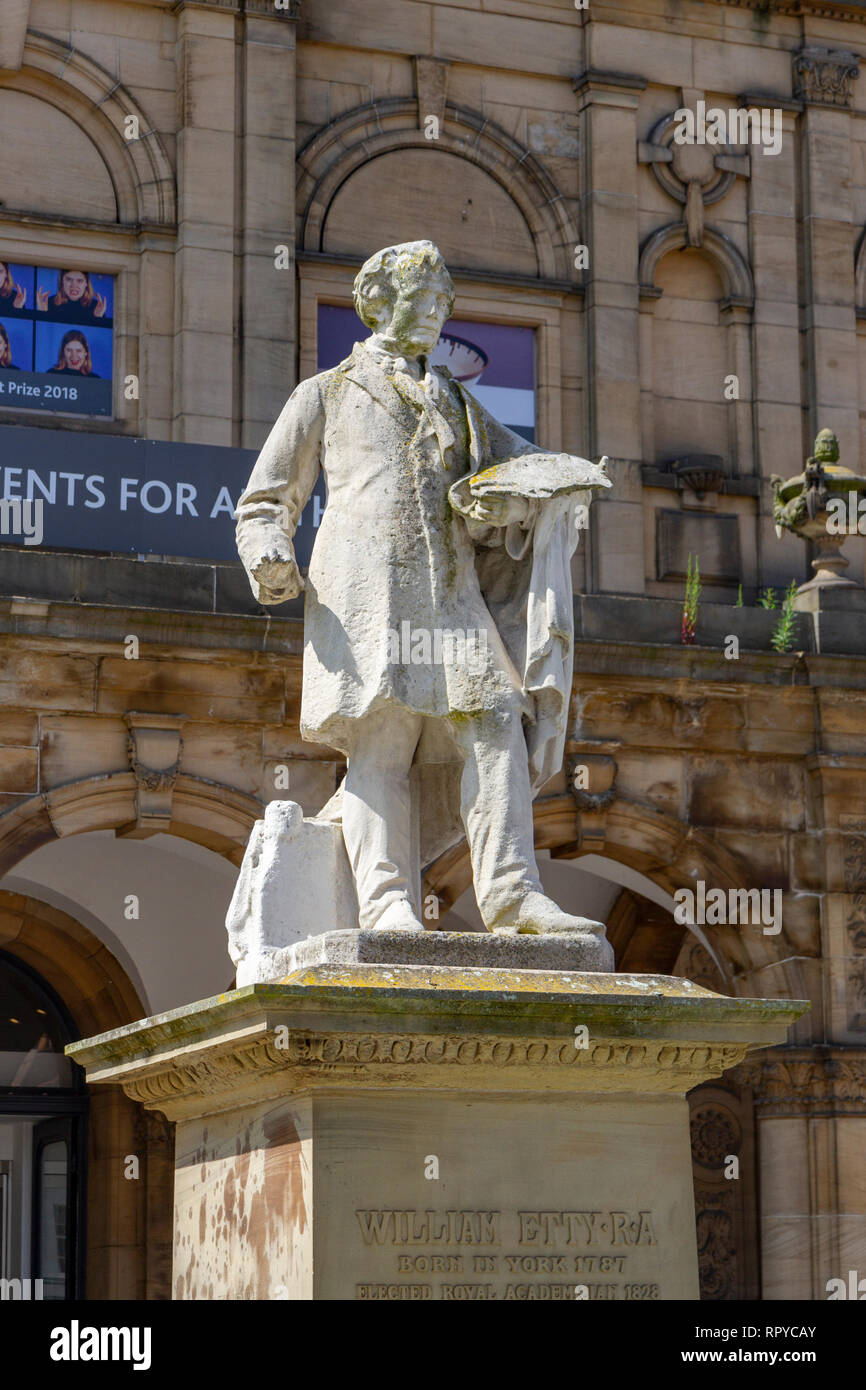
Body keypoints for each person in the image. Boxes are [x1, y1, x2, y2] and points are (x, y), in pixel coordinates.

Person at [236, 240, 610, 937]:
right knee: (382, 743)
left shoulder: (460, 403)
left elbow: (526, 475)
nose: (437, 314)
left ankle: (511, 895)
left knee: (498, 725)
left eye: (444, 303)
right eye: (424, 300)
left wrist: (531, 500)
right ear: (381, 303)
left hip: (453, 596)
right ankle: (387, 905)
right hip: (365, 596)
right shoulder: (325, 393)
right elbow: (264, 501)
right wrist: (269, 557)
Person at [36, 269, 110, 323]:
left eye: (79, 281)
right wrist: (42, 313)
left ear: (86, 284)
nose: (74, 285)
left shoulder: (95, 307)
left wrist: (98, 318)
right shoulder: (49, 303)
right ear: (62, 281)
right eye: (69, 279)